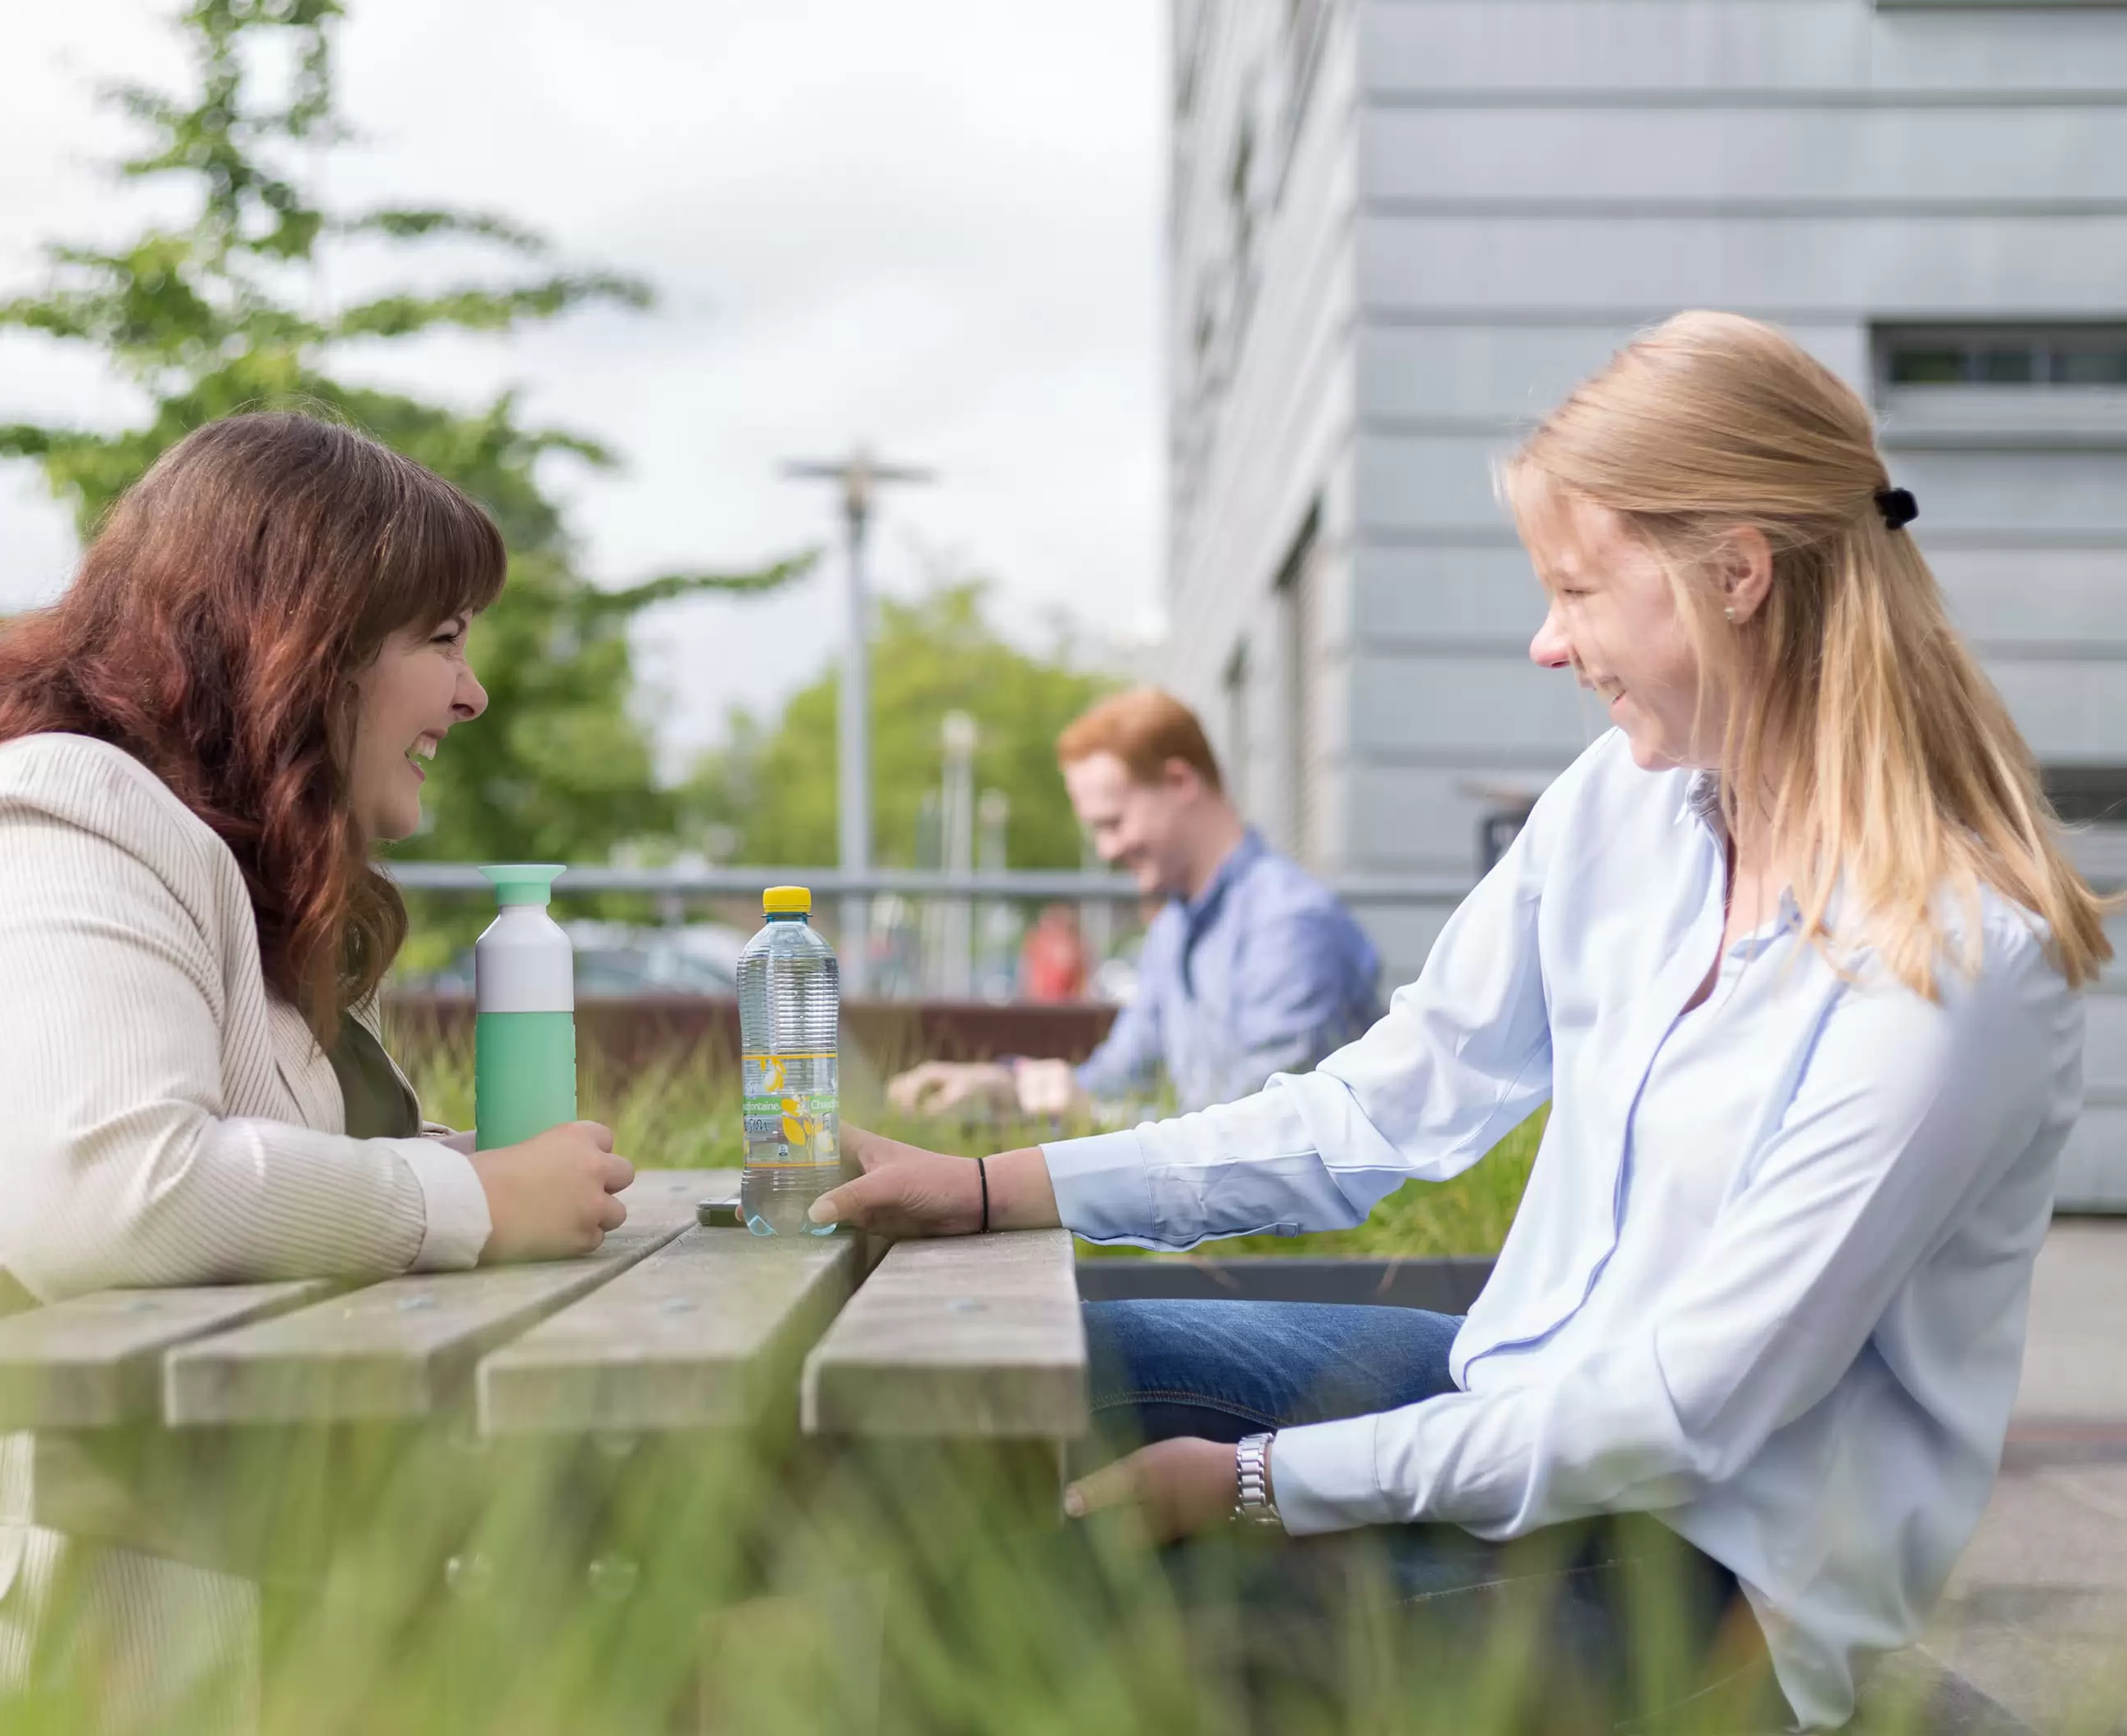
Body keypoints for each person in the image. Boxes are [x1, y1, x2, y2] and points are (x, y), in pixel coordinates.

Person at [814, 313, 2112, 1729]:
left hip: (1706, 1575)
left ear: (1735, 573)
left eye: (1576, 589)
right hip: (1505, 1403)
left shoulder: (1954, 964)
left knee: (1121, 1608)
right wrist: (998, 1185)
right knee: (998, 1375)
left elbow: (1681, 1417)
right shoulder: (1624, 812)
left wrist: (1258, 1486)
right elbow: (1381, 1107)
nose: (1547, 643)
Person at [0, 414, 634, 1730]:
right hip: (52, 1629)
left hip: (219, 1569)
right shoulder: (50, 809)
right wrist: (474, 1206)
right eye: (441, 639)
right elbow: (109, 1189)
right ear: (302, 631)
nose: (471, 696)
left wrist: (432, 1172)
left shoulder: (215, 856)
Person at [888, 688, 1382, 1121]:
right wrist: (1002, 1087)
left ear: (1180, 782)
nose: (1106, 850)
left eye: (1114, 822)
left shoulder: (1288, 924)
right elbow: (1115, 1076)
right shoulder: (1174, 928)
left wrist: (1096, 1114)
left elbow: (1262, 1130)